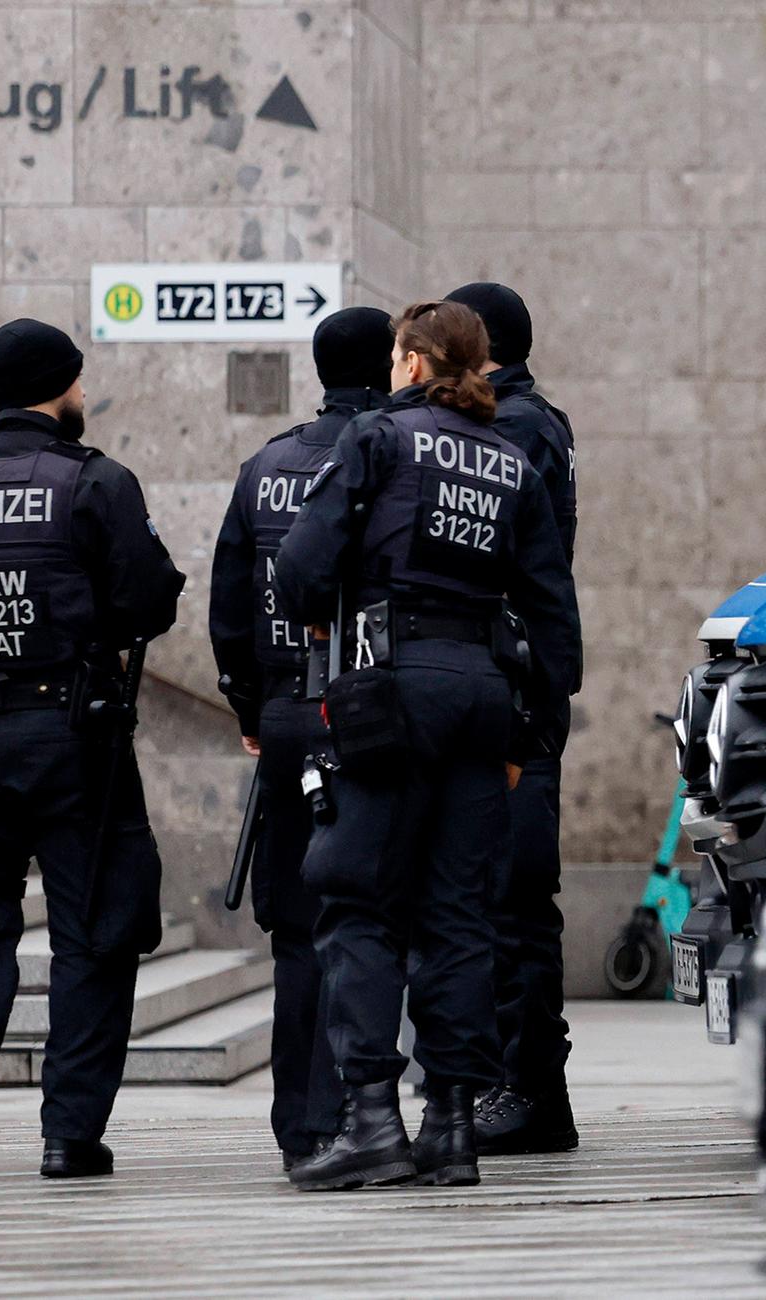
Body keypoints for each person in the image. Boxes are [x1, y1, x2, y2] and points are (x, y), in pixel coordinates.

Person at [273, 301, 580, 1192]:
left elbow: (299, 571)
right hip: (484, 698)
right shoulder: (511, 458)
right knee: (460, 916)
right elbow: (555, 614)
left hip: (388, 689)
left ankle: (372, 1120)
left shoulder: (377, 438)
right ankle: (451, 1124)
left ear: (411, 362)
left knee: (362, 901)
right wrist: (532, 729)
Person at [0, 318, 185, 1182]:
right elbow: (149, 601)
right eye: (79, 382)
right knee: (92, 935)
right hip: (74, 741)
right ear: (59, 387)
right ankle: (68, 1135)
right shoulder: (95, 482)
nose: (85, 397)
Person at [208, 306, 394, 1171]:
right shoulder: (394, 452)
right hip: (364, 716)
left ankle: (300, 1125)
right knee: (367, 922)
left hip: (285, 717)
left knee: (296, 935)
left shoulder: (266, 465)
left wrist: (252, 712)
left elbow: (227, 607)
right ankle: (358, 1116)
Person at [443, 282, 581, 1155]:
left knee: (514, 897)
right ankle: (524, 1088)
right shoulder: (528, 420)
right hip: (508, 680)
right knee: (498, 896)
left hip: (516, 688)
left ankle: (527, 1089)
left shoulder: (516, 427)